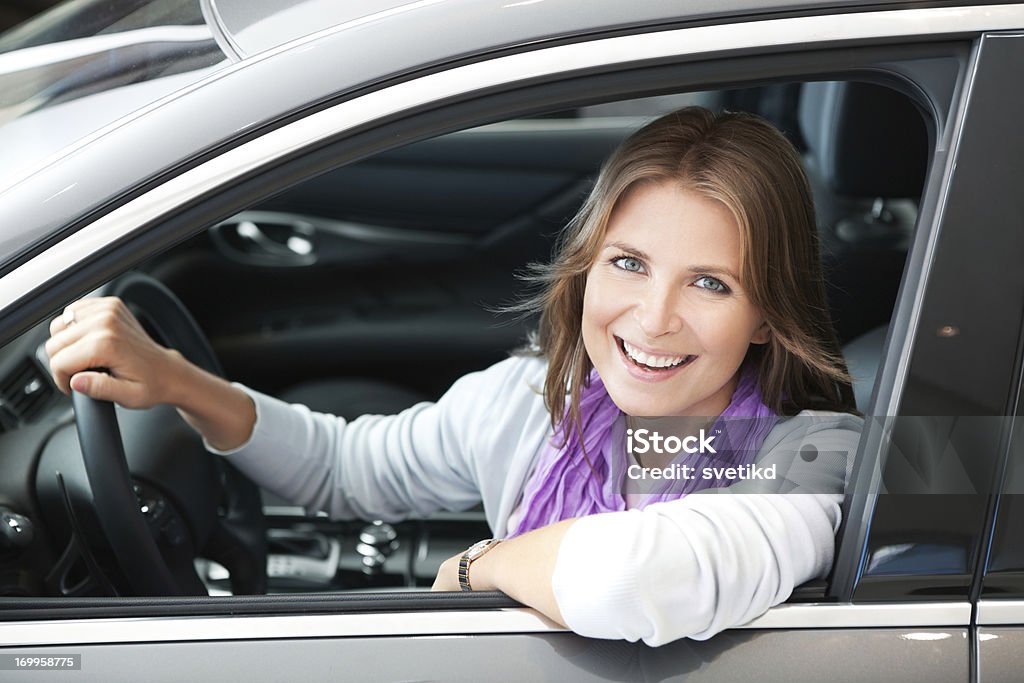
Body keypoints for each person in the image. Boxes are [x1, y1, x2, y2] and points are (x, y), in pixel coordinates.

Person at [45, 107, 862, 647]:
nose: (653, 317)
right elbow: (347, 467)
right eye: (629, 264)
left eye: (710, 283)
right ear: (584, 269)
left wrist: (480, 568)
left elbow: (630, 576)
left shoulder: (815, 457)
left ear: (766, 312)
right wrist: (178, 381)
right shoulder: (532, 400)